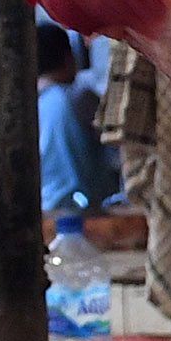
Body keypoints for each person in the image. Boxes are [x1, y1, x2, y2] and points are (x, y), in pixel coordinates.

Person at [32, 25, 115, 215]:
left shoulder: (26, 108)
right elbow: (122, 144)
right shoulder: (80, 97)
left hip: (43, 213)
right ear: (67, 57)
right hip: (84, 216)